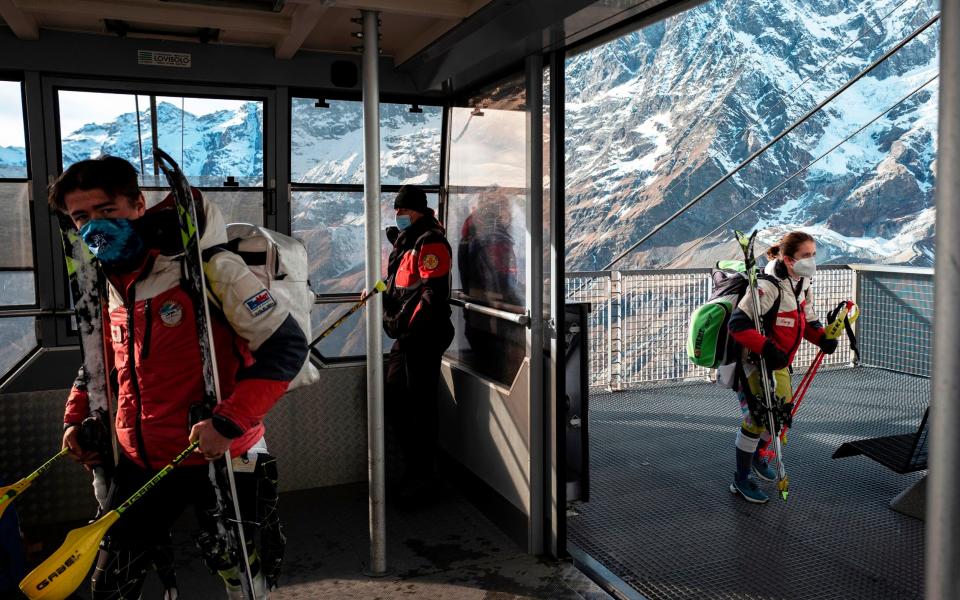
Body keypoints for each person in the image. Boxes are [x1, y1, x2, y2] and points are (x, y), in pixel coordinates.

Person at [51, 156, 307, 599]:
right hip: (139, 458)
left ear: (137, 204)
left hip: (220, 453)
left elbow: (286, 346)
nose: (94, 227)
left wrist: (227, 423)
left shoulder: (206, 267)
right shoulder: (106, 281)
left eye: (106, 211)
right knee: (111, 583)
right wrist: (76, 417)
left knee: (245, 579)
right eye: (81, 218)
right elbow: (106, 359)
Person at [727, 230, 837, 504]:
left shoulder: (801, 282)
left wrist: (822, 338)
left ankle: (755, 457)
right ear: (788, 259)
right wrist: (767, 348)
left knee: (780, 417)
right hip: (754, 362)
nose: (812, 260)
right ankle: (740, 480)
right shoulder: (767, 287)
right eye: (806, 256)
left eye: (813, 254)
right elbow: (738, 325)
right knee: (758, 419)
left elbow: (806, 320)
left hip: (778, 362)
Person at [377, 184, 454, 503]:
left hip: (423, 335)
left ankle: (425, 480)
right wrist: (377, 290)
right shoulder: (406, 242)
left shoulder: (431, 243)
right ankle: (414, 470)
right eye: (397, 210)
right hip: (407, 336)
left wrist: (402, 323)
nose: (399, 216)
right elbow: (397, 281)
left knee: (420, 408)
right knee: (397, 400)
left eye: (404, 210)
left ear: (420, 211)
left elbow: (431, 294)